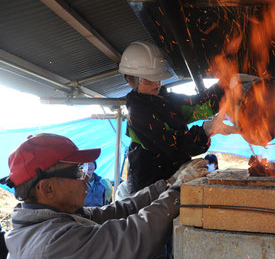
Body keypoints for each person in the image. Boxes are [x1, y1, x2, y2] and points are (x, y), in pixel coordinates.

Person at [0, 133, 208, 258]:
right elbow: (132, 237)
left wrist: (169, 183)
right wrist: (177, 192)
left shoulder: (57, 218)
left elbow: (117, 210)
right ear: (47, 188)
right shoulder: (51, 244)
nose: (86, 178)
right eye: (77, 172)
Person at [119, 41, 237, 194]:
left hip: (173, 183)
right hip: (149, 191)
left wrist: (226, 85)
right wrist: (206, 130)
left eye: (159, 78)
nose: (156, 83)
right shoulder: (137, 113)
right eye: (149, 79)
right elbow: (175, 147)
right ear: (131, 80)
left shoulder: (165, 100)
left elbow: (199, 104)